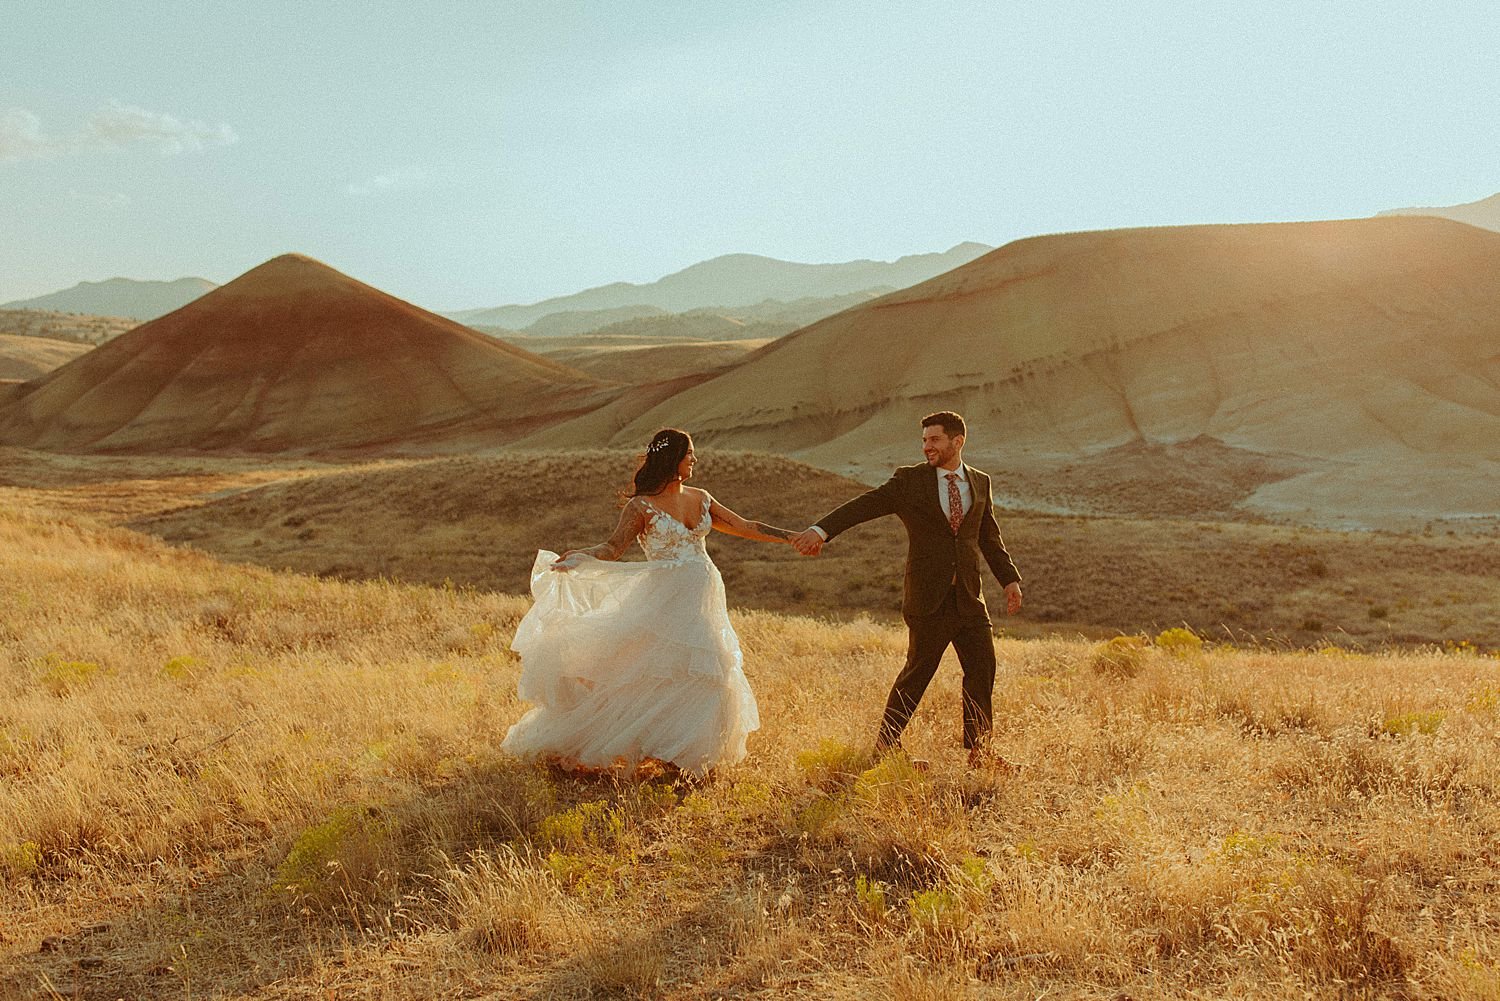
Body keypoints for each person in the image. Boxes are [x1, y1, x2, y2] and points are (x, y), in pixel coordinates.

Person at [503, 428, 800, 777]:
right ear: (673, 458)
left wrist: (793, 538)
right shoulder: (640, 506)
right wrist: (580, 556)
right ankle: (655, 747)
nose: (695, 460)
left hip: (702, 597)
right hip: (664, 598)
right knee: (652, 671)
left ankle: (683, 755)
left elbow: (746, 525)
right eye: (690, 454)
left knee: (708, 668)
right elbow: (612, 549)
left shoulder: (702, 497)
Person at [792, 411, 1022, 769]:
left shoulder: (980, 481)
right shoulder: (910, 481)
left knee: (983, 669)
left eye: (935, 440)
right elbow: (864, 505)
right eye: (925, 440)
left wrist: (1009, 580)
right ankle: (885, 747)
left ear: (957, 442)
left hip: (968, 598)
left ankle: (980, 752)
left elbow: (988, 536)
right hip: (928, 599)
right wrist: (821, 531)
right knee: (916, 674)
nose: (927, 446)